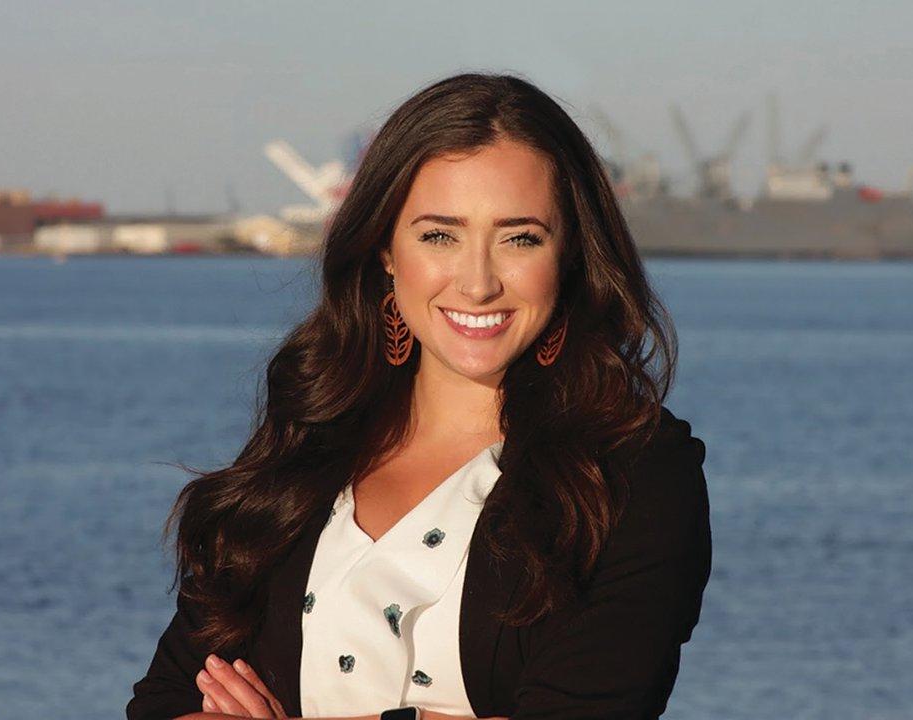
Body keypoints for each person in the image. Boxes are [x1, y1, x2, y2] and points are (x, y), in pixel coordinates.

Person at [126, 71, 712, 720]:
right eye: (440, 235)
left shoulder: (635, 474)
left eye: (520, 237)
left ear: (571, 253)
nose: (478, 281)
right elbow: (164, 702)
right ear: (384, 246)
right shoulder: (308, 448)